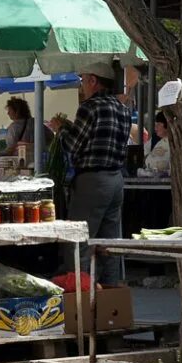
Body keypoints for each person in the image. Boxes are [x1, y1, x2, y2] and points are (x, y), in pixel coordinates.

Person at [49, 63, 131, 285]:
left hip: (93, 180)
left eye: (83, 80)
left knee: (78, 241)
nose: (82, 85)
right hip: (116, 180)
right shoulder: (122, 108)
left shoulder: (89, 107)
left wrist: (61, 128)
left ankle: (80, 295)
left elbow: (73, 145)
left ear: (93, 81)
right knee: (109, 243)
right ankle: (112, 295)